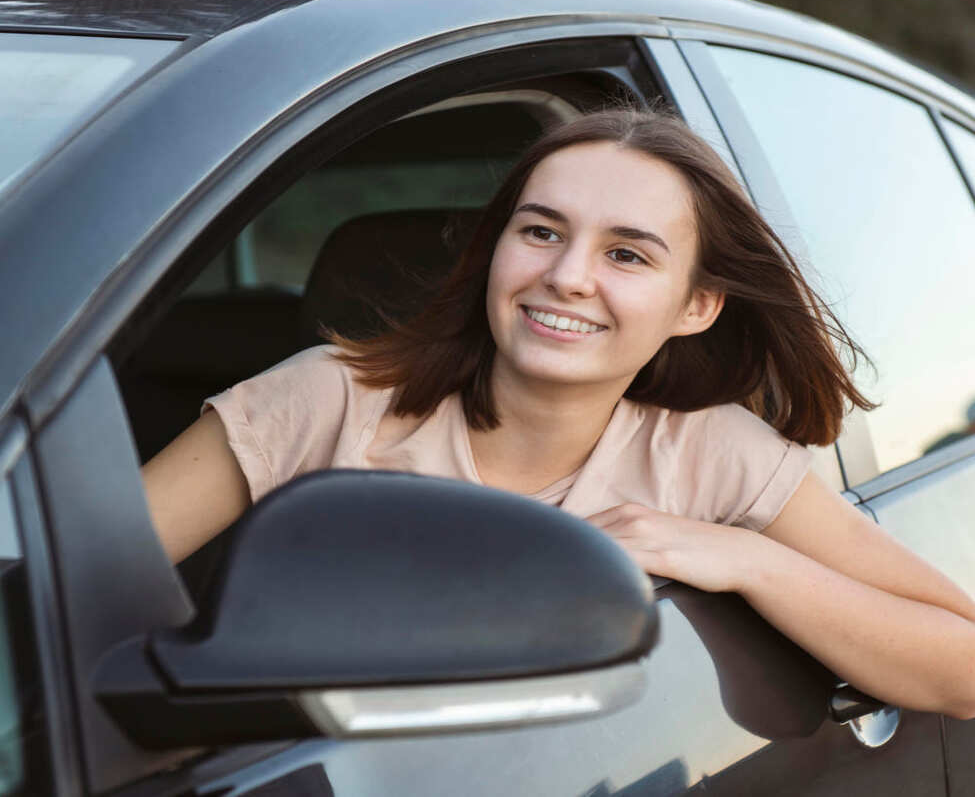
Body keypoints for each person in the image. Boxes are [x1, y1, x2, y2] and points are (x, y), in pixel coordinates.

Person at [142, 107, 975, 719]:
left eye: (625, 253)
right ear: (495, 251)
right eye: (540, 232)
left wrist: (747, 559)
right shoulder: (327, 396)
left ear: (696, 305)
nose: (568, 276)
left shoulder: (712, 451)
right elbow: (57, 589)